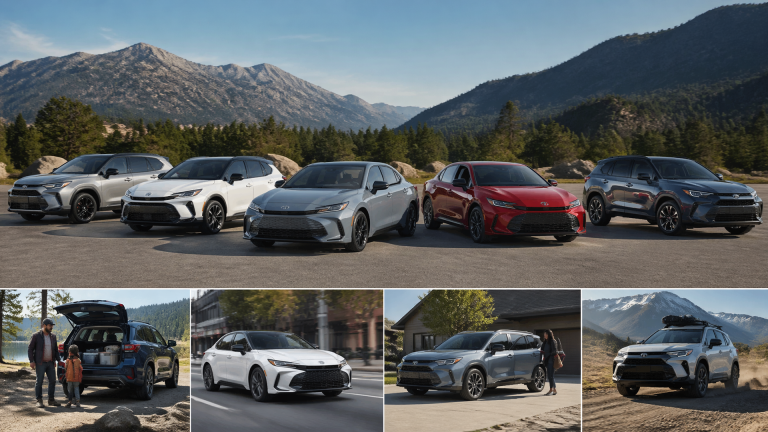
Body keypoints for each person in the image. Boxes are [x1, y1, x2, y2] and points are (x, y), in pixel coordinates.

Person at [28, 318, 62, 407]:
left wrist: (58, 360)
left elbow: (55, 350)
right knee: (39, 381)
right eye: (50, 325)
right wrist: (31, 361)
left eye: (52, 326)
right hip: (40, 363)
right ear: (44, 325)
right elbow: (30, 348)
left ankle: (51, 400)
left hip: (50, 363)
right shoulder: (36, 335)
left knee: (53, 381)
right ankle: (39, 400)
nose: (51, 327)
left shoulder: (53, 336)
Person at [541, 329, 558, 396]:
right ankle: (554, 390)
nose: (544, 335)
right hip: (547, 360)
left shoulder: (553, 341)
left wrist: (548, 355)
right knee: (550, 376)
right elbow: (542, 349)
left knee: (551, 376)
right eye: (544, 334)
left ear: (549, 335)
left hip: (551, 360)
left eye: (546, 334)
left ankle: (551, 390)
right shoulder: (545, 342)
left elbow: (555, 351)